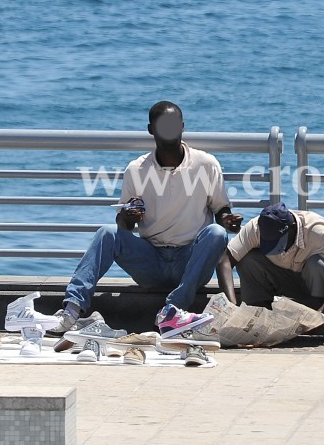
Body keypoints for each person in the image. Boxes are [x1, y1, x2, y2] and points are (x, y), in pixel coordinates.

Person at [50, 101, 243, 335]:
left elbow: (221, 209)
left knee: (216, 233)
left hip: (189, 261)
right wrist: (126, 217)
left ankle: (172, 311)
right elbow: (126, 226)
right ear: (151, 129)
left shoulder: (206, 164)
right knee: (107, 233)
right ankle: (72, 308)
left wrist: (228, 221)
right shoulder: (136, 169)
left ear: (182, 126)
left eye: (174, 123)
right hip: (152, 260)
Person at [216, 202, 324, 342]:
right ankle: (259, 317)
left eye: (276, 241)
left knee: (316, 264)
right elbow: (225, 261)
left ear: (290, 229)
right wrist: (231, 307)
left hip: (319, 289)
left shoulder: (317, 230)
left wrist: (320, 315)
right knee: (248, 259)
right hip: (285, 280)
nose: (272, 245)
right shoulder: (255, 228)